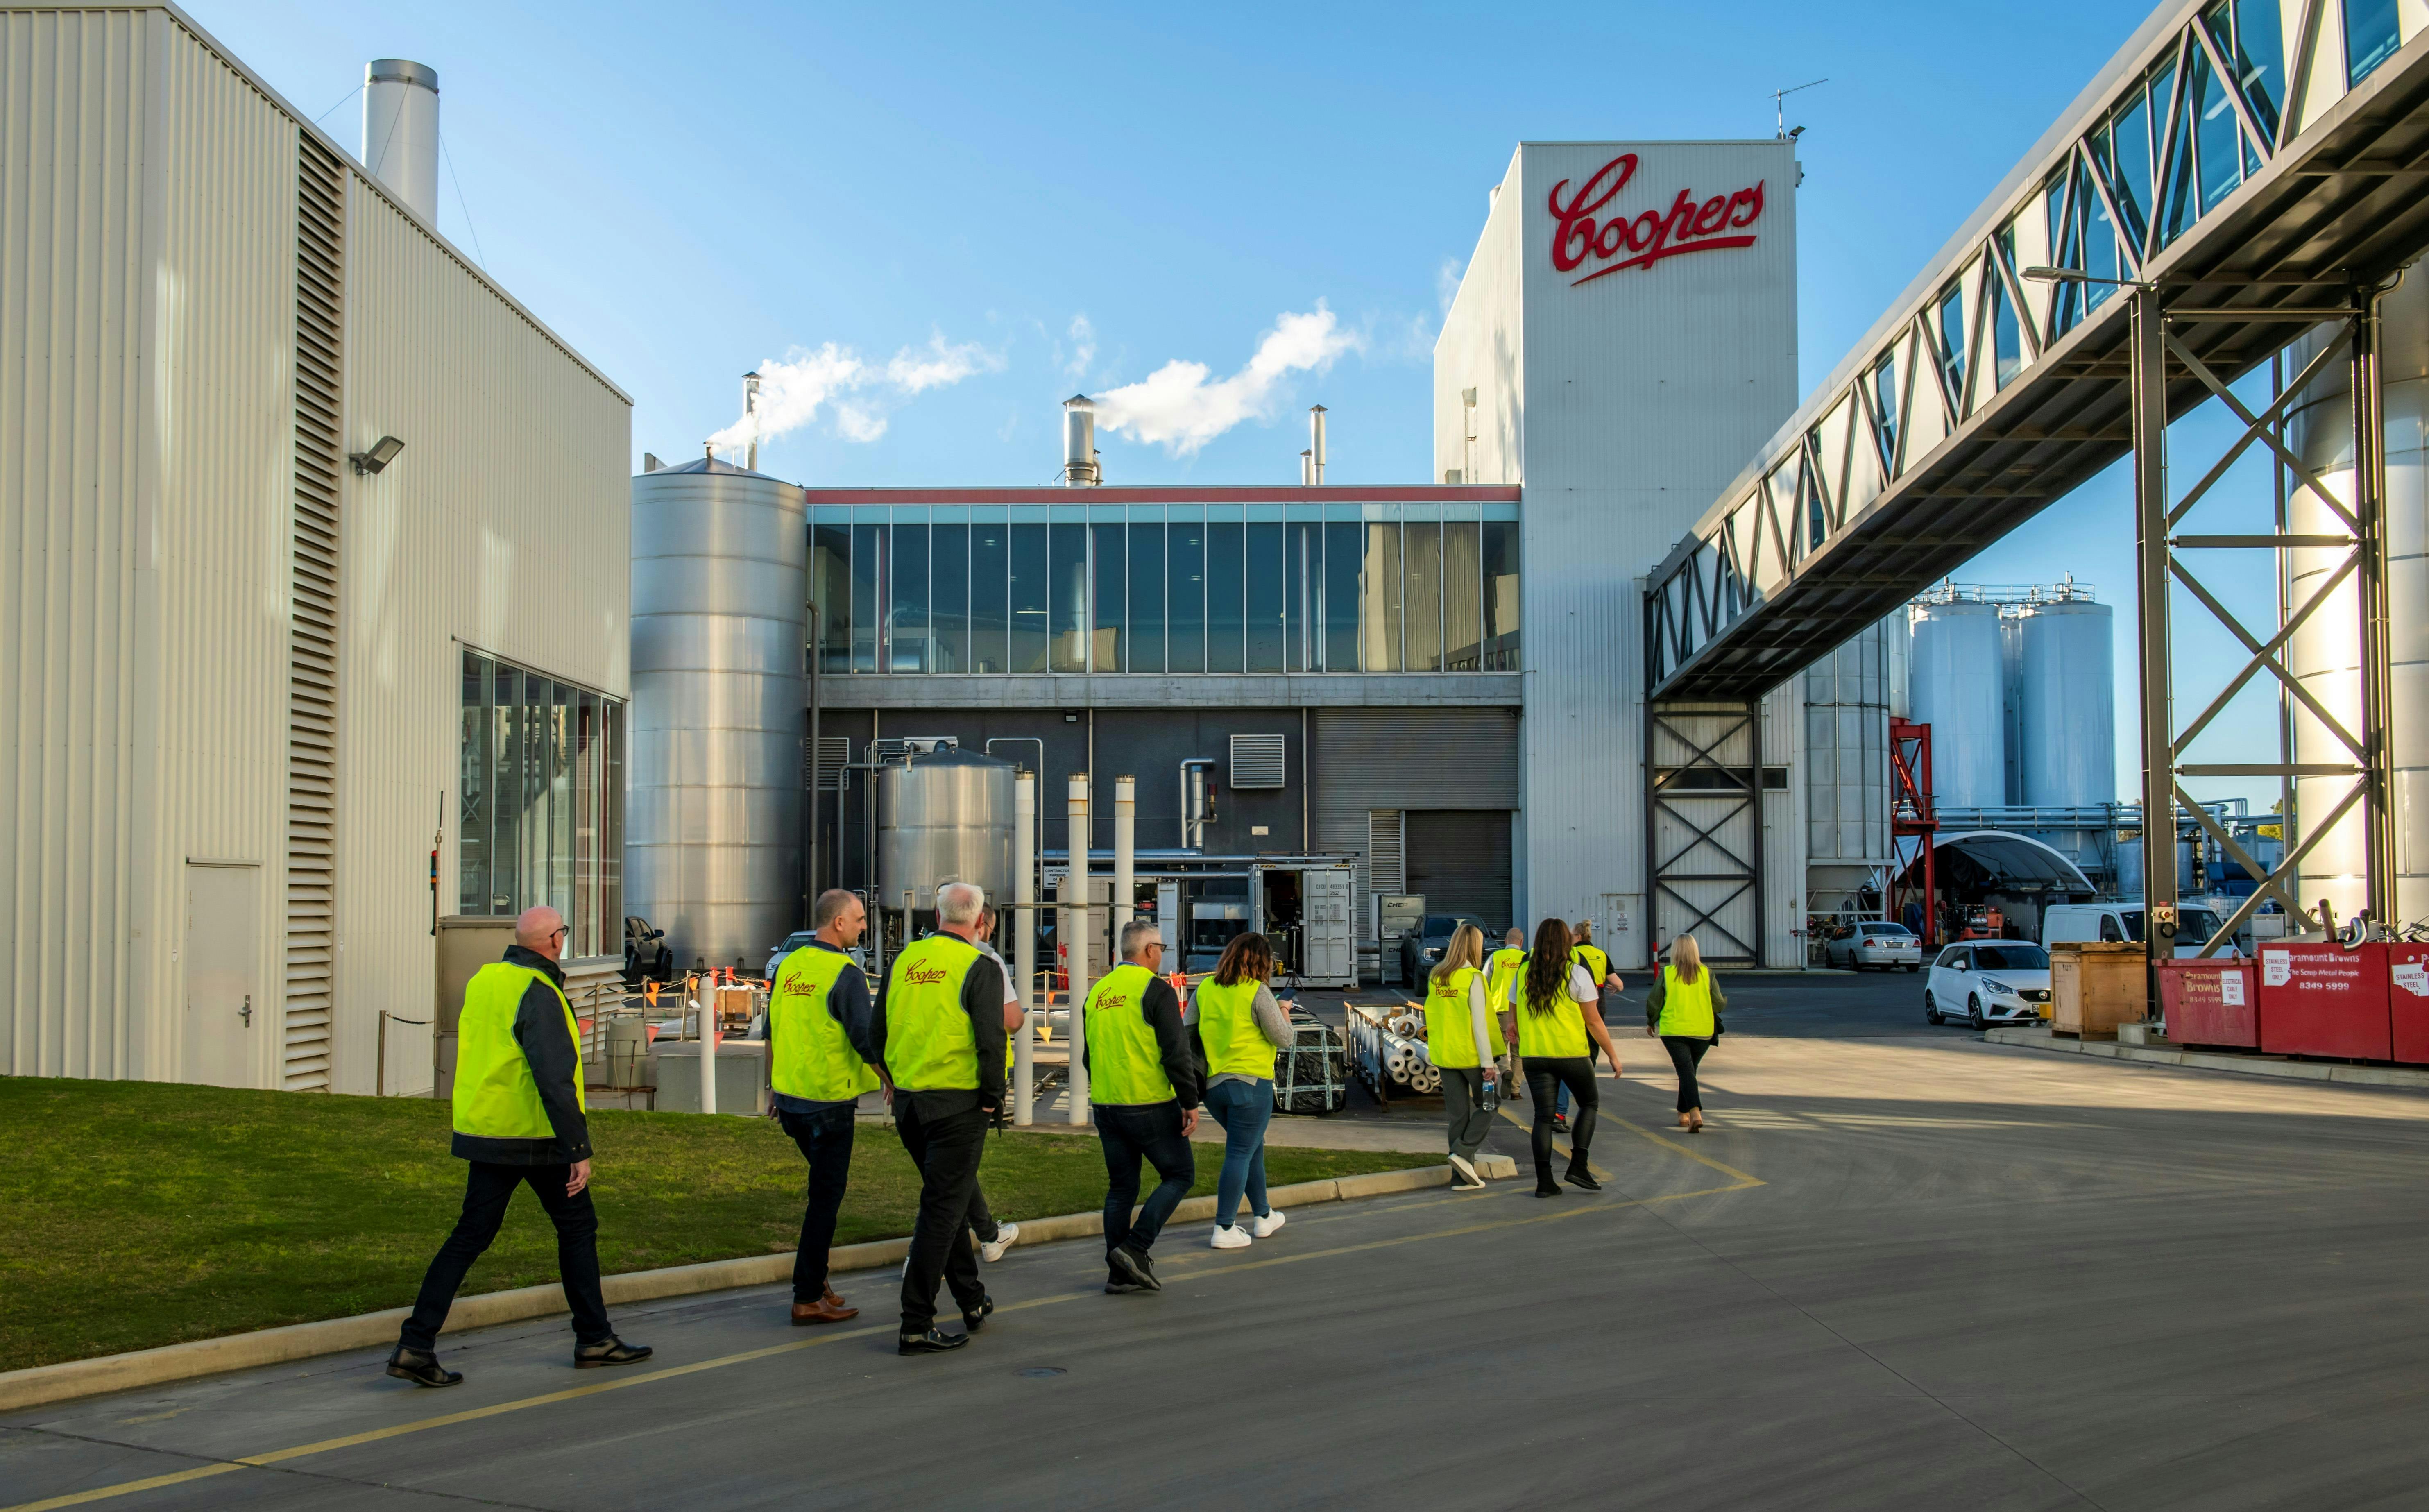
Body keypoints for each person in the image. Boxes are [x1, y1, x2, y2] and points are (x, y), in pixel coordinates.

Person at [389, 906, 650, 1387]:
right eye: (563, 934)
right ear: (554, 940)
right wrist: (578, 1147)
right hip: (536, 1137)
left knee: (469, 1235)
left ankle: (415, 1343)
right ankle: (594, 1337)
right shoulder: (540, 992)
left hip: (486, 1131)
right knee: (577, 1228)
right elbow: (555, 1079)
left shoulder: (486, 981)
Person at [881, 881, 1010, 1354]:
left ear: (937, 917)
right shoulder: (980, 965)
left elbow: (877, 1034)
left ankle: (972, 1300)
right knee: (940, 1211)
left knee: (947, 1201)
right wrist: (994, 1098)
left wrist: (897, 1077)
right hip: (958, 1105)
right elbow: (991, 1040)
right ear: (980, 923)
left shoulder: (903, 962)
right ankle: (915, 1321)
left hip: (910, 1103)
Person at [768, 889, 881, 1327]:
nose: (863, 926)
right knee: (824, 1202)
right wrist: (891, 1079)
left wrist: (772, 1088)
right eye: (858, 919)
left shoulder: (789, 966)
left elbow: (772, 1029)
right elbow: (864, 1036)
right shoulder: (845, 972)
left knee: (822, 1195)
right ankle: (807, 1295)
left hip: (791, 1102)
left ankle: (819, 1283)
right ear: (838, 923)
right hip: (829, 1103)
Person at [1083, 918, 1203, 1292]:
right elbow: (1176, 1053)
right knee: (1180, 1174)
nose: (1162, 957)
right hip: (1149, 1104)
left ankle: (1119, 1272)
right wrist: (1190, 1101)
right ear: (1150, 951)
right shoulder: (1156, 990)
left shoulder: (1098, 993)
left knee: (1121, 1188)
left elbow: (1089, 1057)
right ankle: (1135, 1248)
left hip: (1106, 1104)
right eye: (1162, 950)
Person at [1189, 932, 1293, 1249]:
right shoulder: (1258, 992)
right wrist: (1284, 1009)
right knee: (1240, 1152)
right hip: (1250, 1085)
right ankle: (1224, 1226)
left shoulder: (1205, 988)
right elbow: (1284, 1038)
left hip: (1214, 1086)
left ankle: (1264, 1215)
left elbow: (1186, 1029)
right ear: (1263, 963)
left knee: (1250, 1147)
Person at [1513, 918, 1624, 1197]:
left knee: (1543, 1117)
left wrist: (1511, 1026)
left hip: (1535, 1055)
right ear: (1567, 942)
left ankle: (1545, 1182)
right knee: (1589, 1103)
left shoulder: (1525, 971)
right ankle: (1578, 1165)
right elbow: (1594, 1021)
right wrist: (1613, 1055)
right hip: (1571, 1053)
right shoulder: (1576, 973)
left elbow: (1513, 1007)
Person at [1422, 923, 1503, 1190]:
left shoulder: (1437, 975)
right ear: (1475, 947)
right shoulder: (1474, 978)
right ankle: (1463, 1151)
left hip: (1445, 1055)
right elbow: (1479, 1024)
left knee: (1458, 1116)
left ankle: (1461, 1177)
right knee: (1490, 1103)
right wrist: (1488, 1063)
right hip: (1470, 1055)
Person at [1644, 933, 1725, 1133]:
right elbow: (1719, 1004)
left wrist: (1651, 1021)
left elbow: (1655, 1001)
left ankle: (1695, 1112)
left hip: (1674, 1031)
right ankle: (1683, 1113)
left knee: (1686, 1071)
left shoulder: (1668, 973)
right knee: (1689, 1070)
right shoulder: (1707, 973)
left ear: (1676, 952)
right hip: (1703, 1031)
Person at [1552, 919, 1623, 1129]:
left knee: (1567, 1062)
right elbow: (1619, 983)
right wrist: (1612, 988)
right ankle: (1583, 1098)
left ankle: (1560, 1111)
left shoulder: (1571, 956)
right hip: (1596, 1009)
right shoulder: (1602, 955)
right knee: (1587, 1062)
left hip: (1573, 1012)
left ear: (1578, 937)